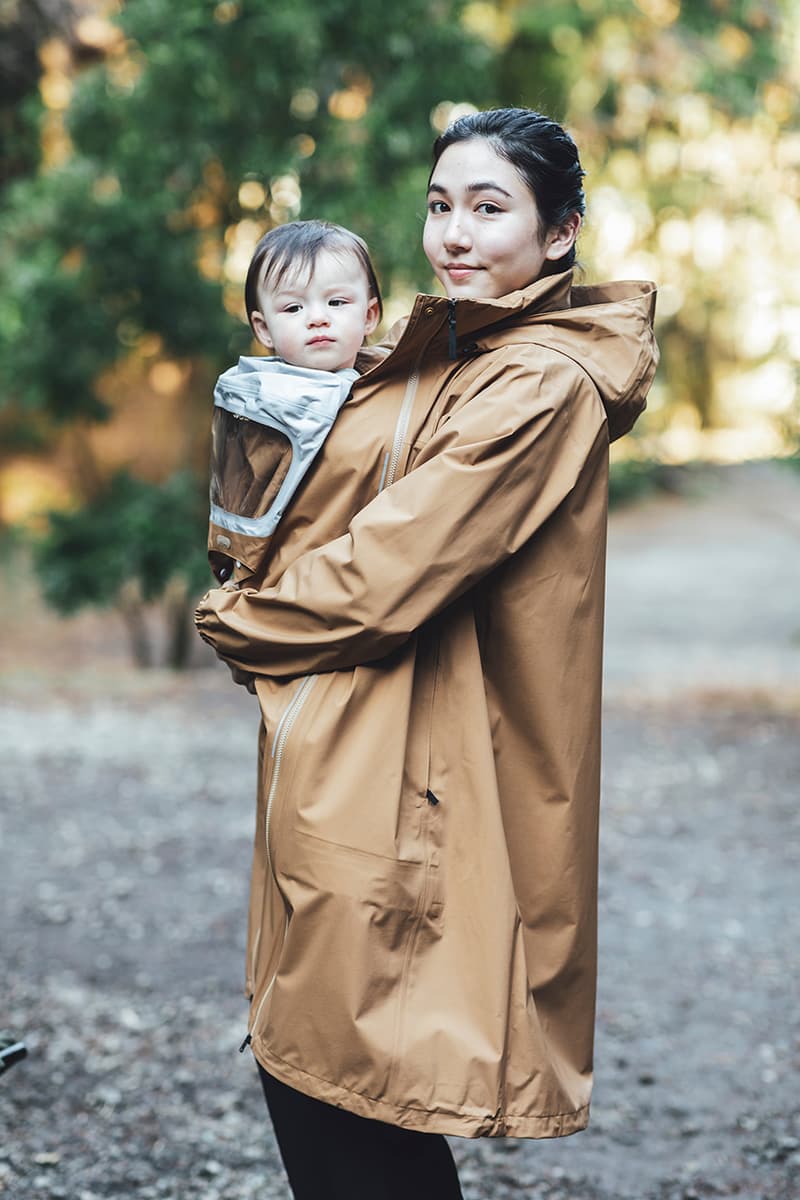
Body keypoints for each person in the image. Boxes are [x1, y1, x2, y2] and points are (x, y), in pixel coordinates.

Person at [195, 107, 659, 1199]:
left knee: (350, 1089)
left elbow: (386, 572)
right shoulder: (447, 346)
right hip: (352, 753)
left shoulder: (535, 380)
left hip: (419, 780)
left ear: (558, 235)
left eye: (488, 208)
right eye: (439, 205)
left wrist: (234, 623)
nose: (452, 232)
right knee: (323, 1073)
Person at [207, 220, 381, 585]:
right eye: (293, 308)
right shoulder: (258, 406)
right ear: (264, 329)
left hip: (366, 578)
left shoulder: (392, 388)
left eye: (336, 302)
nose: (318, 318)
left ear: (369, 316)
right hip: (286, 587)